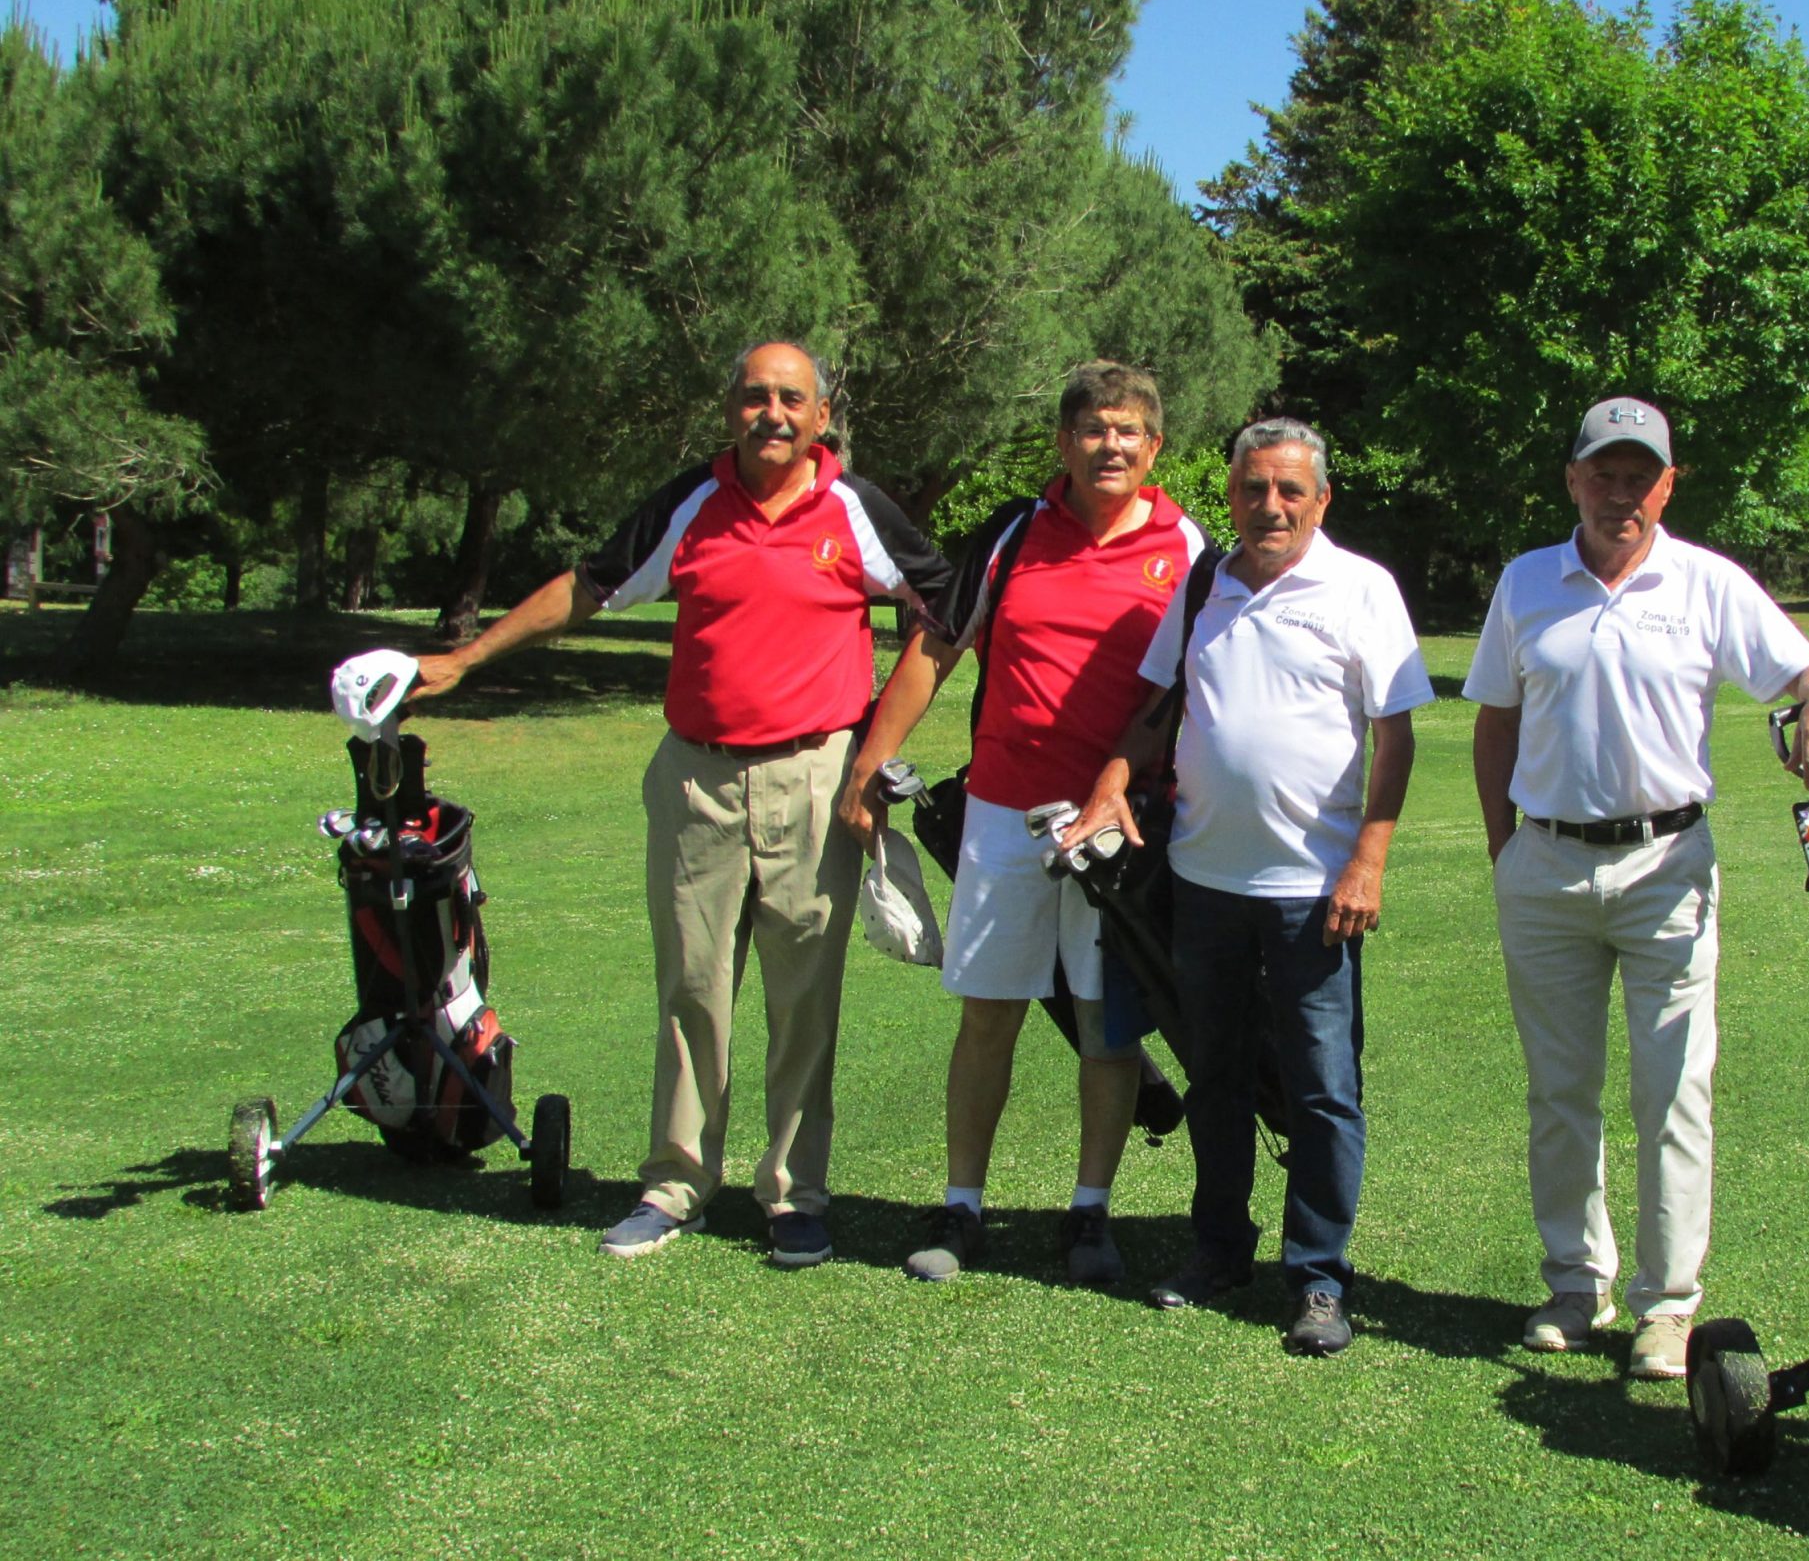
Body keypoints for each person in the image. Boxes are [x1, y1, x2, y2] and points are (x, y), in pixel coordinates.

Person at [410, 341, 953, 1267]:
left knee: (804, 999)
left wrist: (875, 753)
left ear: (822, 416)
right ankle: (675, 1186)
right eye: (755, 396)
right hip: (696, 779)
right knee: (692, 990)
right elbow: (588, 588)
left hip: (815, 776)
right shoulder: (690, 502)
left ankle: (794, 1196)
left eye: (792, 399)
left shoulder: (856, 508)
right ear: (730, 408)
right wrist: (466, 658)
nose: (772, 414)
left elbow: (948, 610)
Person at [1464, 397, 1809, 1382]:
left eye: (1639, 476)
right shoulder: (1525, 582)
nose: (1619, 493)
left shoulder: (1707, 583)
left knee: (1673, 1092)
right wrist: (1506, 850)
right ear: (1573, 480)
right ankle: (1574, 1284)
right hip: (1545, 864)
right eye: (1602, 473)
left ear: (1667, 486)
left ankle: (1667, 1306)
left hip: (1666, 867)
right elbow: (1496, 720)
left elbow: (1804, 669)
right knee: (1560, 1092)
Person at [1063, 419, 1431, 1356]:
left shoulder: (1362, 588)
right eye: (1254, 488)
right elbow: (1160, 704)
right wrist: (1113, 779)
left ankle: (1318, 1279)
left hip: (1315, 888)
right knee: (1215, 1077)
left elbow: (1396, 737)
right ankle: (1220, 1249)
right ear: (1231, 495)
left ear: (1321, 499)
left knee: (1322, 1088)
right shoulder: (1205, 582)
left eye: (1290, 490)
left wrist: (1369, 860)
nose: (1271, 506)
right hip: (1203, 879)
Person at [842, 361, 1208, 1288]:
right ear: (1064, 442)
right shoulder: (1013, 531)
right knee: (989, 1015)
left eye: (1128, 431)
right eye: (1093, 428)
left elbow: (1204, 682)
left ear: (1155, 448)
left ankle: (1090, 1214)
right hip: (1004, 813)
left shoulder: (1187, 545)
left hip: (1120, 828)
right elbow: (935, 647)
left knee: (1105, 1026)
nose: (1110, 446)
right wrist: (868, 763)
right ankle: (961, 1206)